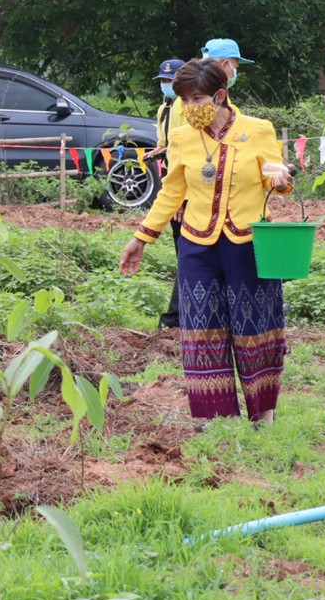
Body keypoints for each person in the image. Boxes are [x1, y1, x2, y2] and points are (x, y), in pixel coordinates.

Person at [117, 60, 293, 424]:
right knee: (202, 330)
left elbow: (274, 176)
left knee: (256, 327)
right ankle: (216, 420)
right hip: (197, 244)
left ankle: (263, 416)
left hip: (248, 243)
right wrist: (142, 237)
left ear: (220, 95)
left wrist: (280, 182)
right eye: (183, 99)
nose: (188, 106)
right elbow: (171, 192)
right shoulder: (182, 138)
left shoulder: (257, 130)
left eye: (196, 98)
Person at [151, 58, 185, 332]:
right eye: (163, 81)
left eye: (171, 80)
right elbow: (168, 146)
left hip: (185, 190)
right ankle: (176, 317)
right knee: (185, 254)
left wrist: (182, 199)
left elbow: (186, 154)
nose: (167, 85)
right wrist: (157, 151)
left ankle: (175, 318)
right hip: (173, 186)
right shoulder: (164, 109)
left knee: (188, 256)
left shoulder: (187, 107)